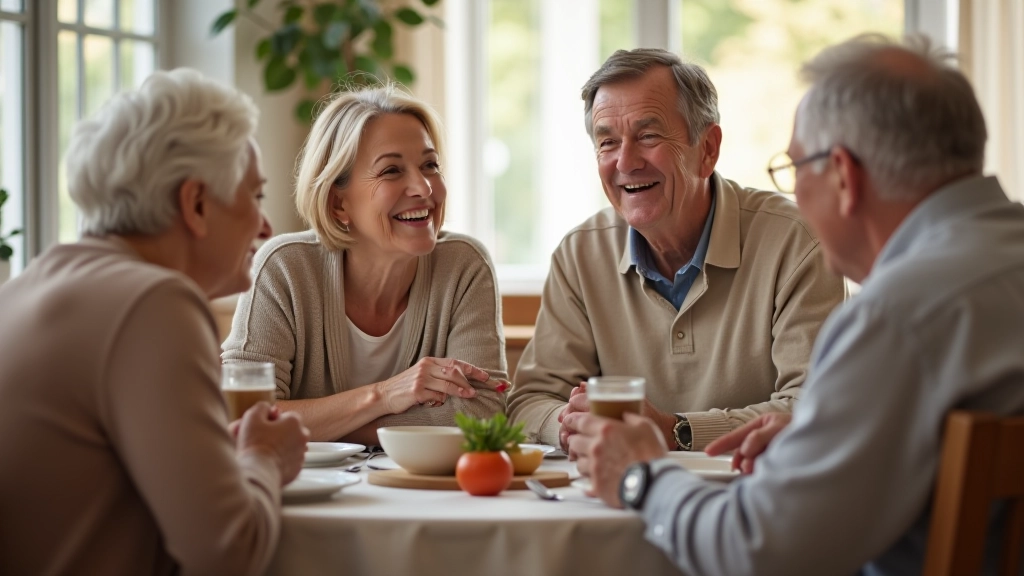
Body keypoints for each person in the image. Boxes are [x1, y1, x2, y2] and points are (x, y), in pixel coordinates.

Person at [571, 34, 1024, 575]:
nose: (794, 197)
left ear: (843, 177)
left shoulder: (895, 319)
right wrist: (833, 435)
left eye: (793, 169)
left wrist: (639, 475)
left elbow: (757, 551)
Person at [0, 69, 310, 575]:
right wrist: (266, 458)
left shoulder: (23, 289)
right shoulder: (155, 303)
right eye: (255, 196)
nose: (267, 225)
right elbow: (227, 552)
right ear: (196, 204)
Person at [507, 48, 846, 454]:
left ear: (707, 149)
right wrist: (570, 424)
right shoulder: (580, 253)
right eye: (607, 142)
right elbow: (529, 402)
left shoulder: (797, 242)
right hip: (615, 493)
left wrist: (675, 431)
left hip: (749, 495)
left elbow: (815, 405)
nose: (625, 162)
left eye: (648, 136)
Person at [223, 84, 507, 444]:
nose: (423, 187)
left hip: (426, 491)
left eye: (429, 165)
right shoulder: (284, 269)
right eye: (391, 171)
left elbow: (480, 414)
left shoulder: (464, 266)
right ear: (339, 203)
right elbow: (246, 419)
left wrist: (328, 426)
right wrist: (384, 395)